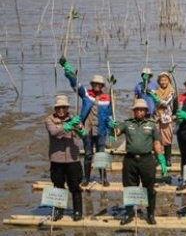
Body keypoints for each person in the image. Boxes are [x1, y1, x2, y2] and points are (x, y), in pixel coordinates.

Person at [109, 99, 167, 225]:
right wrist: (111, 129)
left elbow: (157, 143)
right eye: (137, 109)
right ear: (134, 111)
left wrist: (161, 159)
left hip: (147, 160)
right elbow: (114, 135)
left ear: (146, 111)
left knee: (149, 188)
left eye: (142, 109)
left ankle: (150, 214)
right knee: (129, 188)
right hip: (130, 160)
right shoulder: (127, 124)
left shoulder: (152, 125)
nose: (140, 111)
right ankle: (129, 213)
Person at [59, 57, 112, 187]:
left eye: (99, 85)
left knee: (100, 155)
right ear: (92, 85)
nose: (97, 86)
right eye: (95, 84)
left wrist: (111, 130)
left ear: (102, 86)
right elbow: (75, 83)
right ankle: (86, 178)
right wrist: (68, 70)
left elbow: (110, 115)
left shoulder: (107, 98)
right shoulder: (86, 94)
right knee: (88, 155)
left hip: (101, 130)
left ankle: (103, 178)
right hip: (87, 130)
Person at [44, 95, 86, 221]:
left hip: (73, 159)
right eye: (59, 107)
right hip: (57, 160)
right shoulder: (49, 120)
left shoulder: (74, 118)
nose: (61, 110)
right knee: (58, 185)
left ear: (67, 107)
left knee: (75, 186)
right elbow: (54, 132)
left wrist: (79, 127)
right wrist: (67, 126)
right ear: (55, 108)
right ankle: (58, 211)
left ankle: (77, 211)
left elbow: (83, 134)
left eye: (64, 107)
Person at [150, 71, 178, 168]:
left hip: (167, 118)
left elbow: (174, 104)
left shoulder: (172, 92)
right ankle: (158, 158)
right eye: (161, 80)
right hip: (156, 117)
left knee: (167, 139)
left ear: (169, 81)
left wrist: (175, 115)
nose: (163, 82)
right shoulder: (154, 92)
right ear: (158, 81)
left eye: (165, 80)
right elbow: (145, 91)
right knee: (156, 139)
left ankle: (168, 159)